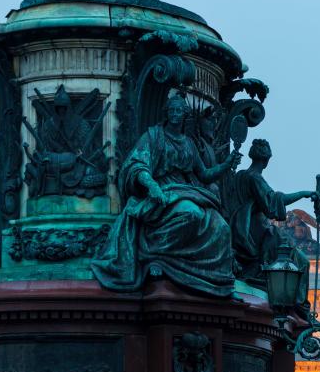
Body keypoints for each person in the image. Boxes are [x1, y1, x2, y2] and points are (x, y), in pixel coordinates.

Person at [91, 91, 241, 297]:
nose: (175, 114)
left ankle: (217, 280)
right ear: (166, 113)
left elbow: (204, 174)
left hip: (185, 192)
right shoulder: (153, 136)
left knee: (222, 228)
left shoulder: (188, 143)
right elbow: (137, 164)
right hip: (163, 191)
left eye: (179, 110)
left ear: (185, 115)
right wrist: (152, 186)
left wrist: (227, 164)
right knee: (191, 214)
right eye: (172, 110)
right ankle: (154, 256)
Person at [222, 139, 320, 285]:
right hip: (259, 233)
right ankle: (298, 304)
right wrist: (304, 193)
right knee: (302, 263)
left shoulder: (240, 175)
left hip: (241, 231)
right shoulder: (254, 178)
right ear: (266, 160)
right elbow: (274, 202)